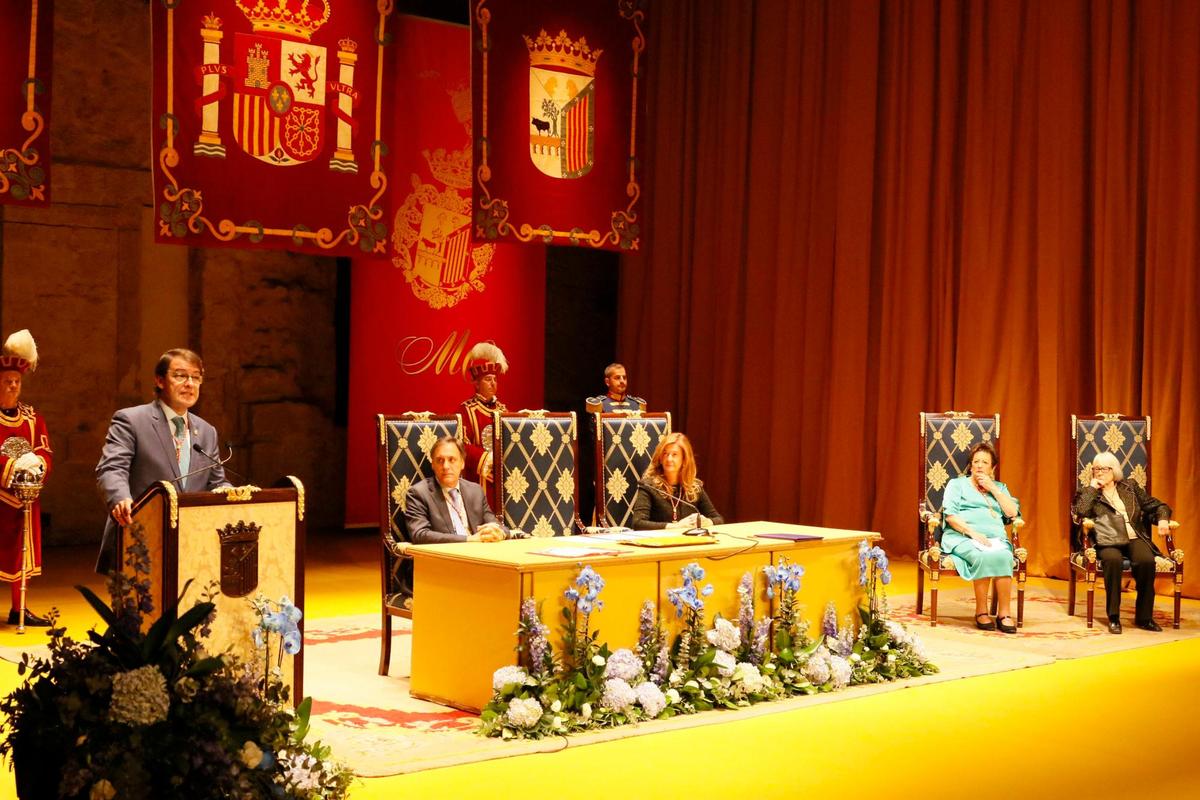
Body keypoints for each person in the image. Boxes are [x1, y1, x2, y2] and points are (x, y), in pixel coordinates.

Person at [95, 348, 231, 573]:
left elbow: (216, 482)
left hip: (192, 546)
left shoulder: (207, 432)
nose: (189, 383)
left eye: (196, 377)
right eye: (180, 375)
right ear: (159, 380)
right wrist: (120, 497)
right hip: (138, 539)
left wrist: (232, 494)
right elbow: (112, 467)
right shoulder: (131, 420)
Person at [1072, 450, 1171, 634]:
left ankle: (1144, 617)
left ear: (1114, 470)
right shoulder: (1087, 492)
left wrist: (1163, 519)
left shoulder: (1130, 487)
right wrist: (1093, 488)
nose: (1099, 472)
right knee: (1113, 561)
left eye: (1104, 468)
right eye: (1095, 469)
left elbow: (1158, 505)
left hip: (1134, 536)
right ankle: (1114, 617)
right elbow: (1080, 513)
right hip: (1107, 540)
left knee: (1146, 561)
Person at [940, 441, 1021, 634]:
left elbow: (1012, 513)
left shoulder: (1000, 487)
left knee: (1004, 556)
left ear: (992, 468)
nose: (979, 466)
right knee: (983, 555)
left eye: (984, 462)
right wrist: (974, 534)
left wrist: (993, 489)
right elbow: (950, 516)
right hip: (962, 536)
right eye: (976, 461)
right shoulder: (957, 485)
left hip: (995, 539)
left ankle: (1004, 613)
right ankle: (981, 612)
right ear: (970, 465)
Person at [0, 330, 52, 626]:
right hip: (0, 495)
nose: (13, 387)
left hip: (24, 498)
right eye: (8, 382)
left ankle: (19, 608)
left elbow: (45, 450)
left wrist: (37, 467)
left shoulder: (32, 418)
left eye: (17, 382)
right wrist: (13, 465)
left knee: (23, 557)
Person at [404, 436, 508, 544]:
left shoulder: (475, 491)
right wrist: (468, 539)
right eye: (440, 460)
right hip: (445, 557)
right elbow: (419, 534)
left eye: (451, 460)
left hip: (479, 554)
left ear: (462, 463)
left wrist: (499, 533)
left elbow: (495, 525)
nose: (445, 466)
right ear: (433, 465)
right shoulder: (419, 493)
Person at [629, 432, 724, 530]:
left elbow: (718, 519)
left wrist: (707, 522)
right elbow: (638, 523)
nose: (669, 459)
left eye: (674, 454)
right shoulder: (649, 486)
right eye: (665, 454)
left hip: (688, 543)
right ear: (660, 458)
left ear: (684, 460)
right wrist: (674, 527)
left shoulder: (694, 488)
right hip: (659, 542)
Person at [457, 341, 508, 508]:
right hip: (478, 474)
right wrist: (486, 459)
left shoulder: (504, 410)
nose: (493, 383)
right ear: (477, 384)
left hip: (502, 473)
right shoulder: (467, 409)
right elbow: (462, 444)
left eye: (494, 379)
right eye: (487, 379)